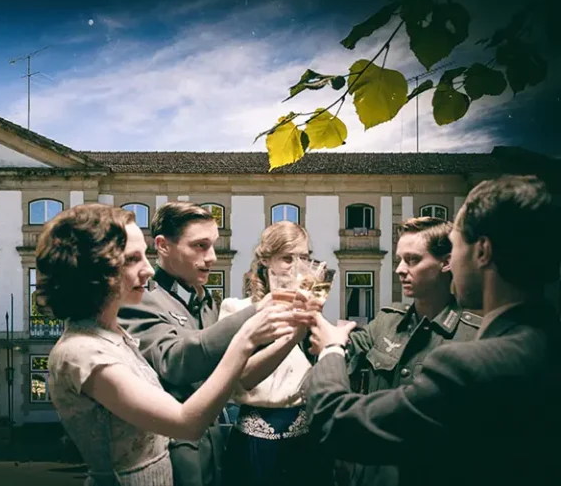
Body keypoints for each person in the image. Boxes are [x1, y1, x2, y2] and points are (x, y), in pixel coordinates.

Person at [301, 175, 561, 486]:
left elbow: (337, 424)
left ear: (482, 252)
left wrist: (331, 348)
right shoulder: (543, 342)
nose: (400, 269)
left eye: (456, 246)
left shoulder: (471, 364)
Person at [41, 204, 301, 486]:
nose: (149, 270)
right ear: (95, 269)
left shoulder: (113, 335)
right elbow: (183, 412)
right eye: (132, 259)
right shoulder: (83, 352)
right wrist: (248, 331)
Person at [119, 202, 310, 486]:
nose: (211, 258)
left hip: (220, 446)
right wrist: (257, 312)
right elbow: (174, 361)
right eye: (199, 246)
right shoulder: (140, 299)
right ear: (162, 246)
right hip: (175, 454)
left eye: (212, 246)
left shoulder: (206, 302)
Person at [312, 217, 481, 486]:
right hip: (370, 475)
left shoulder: (473, 337)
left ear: (446, 262)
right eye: (400, 260)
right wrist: (311, 315)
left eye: (412, 260)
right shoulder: (387, 322)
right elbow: (333, 357)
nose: (400, 270)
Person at [218, 221, 333, 486]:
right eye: (287, 258)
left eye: (304, 258)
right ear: (266, 260)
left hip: (306, 438)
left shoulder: (310, 310)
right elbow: (241, 379)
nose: (297, 266)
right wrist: (295, 332)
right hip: (257, 441)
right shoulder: (238, 310)